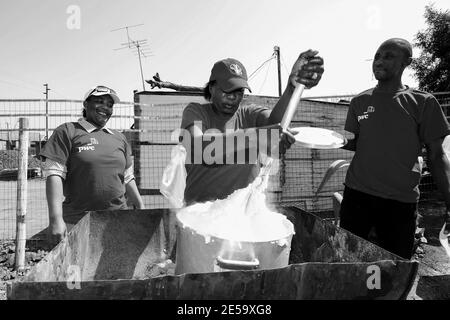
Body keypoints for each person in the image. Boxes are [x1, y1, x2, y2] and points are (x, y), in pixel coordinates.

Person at [340, 38, 450, 259]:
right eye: (377, 56)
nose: (379, 61)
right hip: (357, 197)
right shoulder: (359, 102)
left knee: (394, 265)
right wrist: (322, 139)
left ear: (406, 62)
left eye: (388, 56)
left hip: (399, 202)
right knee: (349, 260)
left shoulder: (423, 103)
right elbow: (357, 143)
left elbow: (437, 156)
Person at [179, 50, 324, 205]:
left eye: (239, 91)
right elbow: (200, 148)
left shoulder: (249, 114)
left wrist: (293, 87)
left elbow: (277, 125)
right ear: (211, 88)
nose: (233, 97)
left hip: (243, 214)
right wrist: (256, 136)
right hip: (199, 214)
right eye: (226, 90)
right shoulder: (196, 112)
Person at [39, 85, 145, 246]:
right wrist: (56, 219)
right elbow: (54, 174)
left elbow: (128, 177)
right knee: (77, 270)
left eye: (110, 105)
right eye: (99, 101)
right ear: (86, 104)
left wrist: (141, 207)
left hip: (118, 220)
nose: (105, 107)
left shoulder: (120, 138)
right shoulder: (68, 131)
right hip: (77, 221)